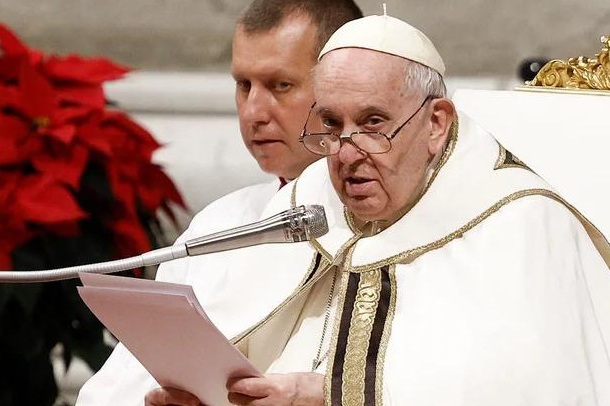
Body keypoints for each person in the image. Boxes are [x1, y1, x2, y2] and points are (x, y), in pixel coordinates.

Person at [147, 14, 610, 406]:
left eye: (373, 123)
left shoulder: (521, 220)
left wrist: (329, 395)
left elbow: (530, 388)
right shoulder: (307, 205)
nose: (346, 154)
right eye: (331, 124)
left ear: (436, 123)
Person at [75, 1, 363, 405]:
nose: (253, 112)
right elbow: (120, 383)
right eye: (243, 85)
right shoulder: (219, 222)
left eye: (280, 85)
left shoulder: (388, 224)